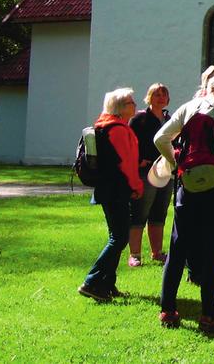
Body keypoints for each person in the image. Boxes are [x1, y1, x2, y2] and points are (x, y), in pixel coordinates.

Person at [154, 74, 214, 330]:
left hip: (188, 183)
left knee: (178, 246)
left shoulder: (188, 107)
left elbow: (160, 138)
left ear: (208, 89)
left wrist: (176, 163)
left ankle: (168, 311)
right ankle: (209, 315)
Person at [78, 88, 143, 302]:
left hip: (108, 188)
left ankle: (107, 284)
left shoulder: (105, 126)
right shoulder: (118, 130)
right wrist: (136, 186)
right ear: (122, 107)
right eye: (131, 102)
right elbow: (126, 164)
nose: (135, 104)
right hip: (117, 189)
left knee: (117, 236)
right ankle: (92, 281)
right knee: (119, 238)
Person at [126, 83, 171, 267]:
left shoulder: (169, 119)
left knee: (159, 213)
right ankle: (134, 254)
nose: (160, 98)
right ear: (149, 97)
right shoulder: (139, 119)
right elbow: (129, 142)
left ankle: (157, 252)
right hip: (145, 172)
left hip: (165, 172)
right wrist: (138, 161)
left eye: (163, 94)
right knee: (139, 213)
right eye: (156, 94)